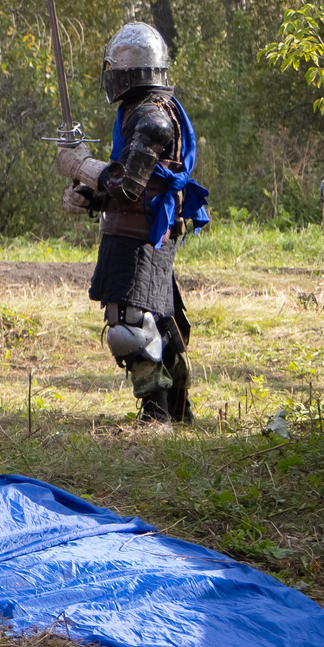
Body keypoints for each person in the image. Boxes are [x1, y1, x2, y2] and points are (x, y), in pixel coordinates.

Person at [58, 22, 208, 423]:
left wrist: (80, 165)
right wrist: (89, 195)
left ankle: (156, 415)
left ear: (126, 70)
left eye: (114, 69)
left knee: (128, 325)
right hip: (145, 228)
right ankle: (178, 412)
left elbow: (127, 187)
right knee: (157, 317)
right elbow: (131, 181)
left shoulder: (150, 116)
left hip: (139, 233)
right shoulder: (151, 109)